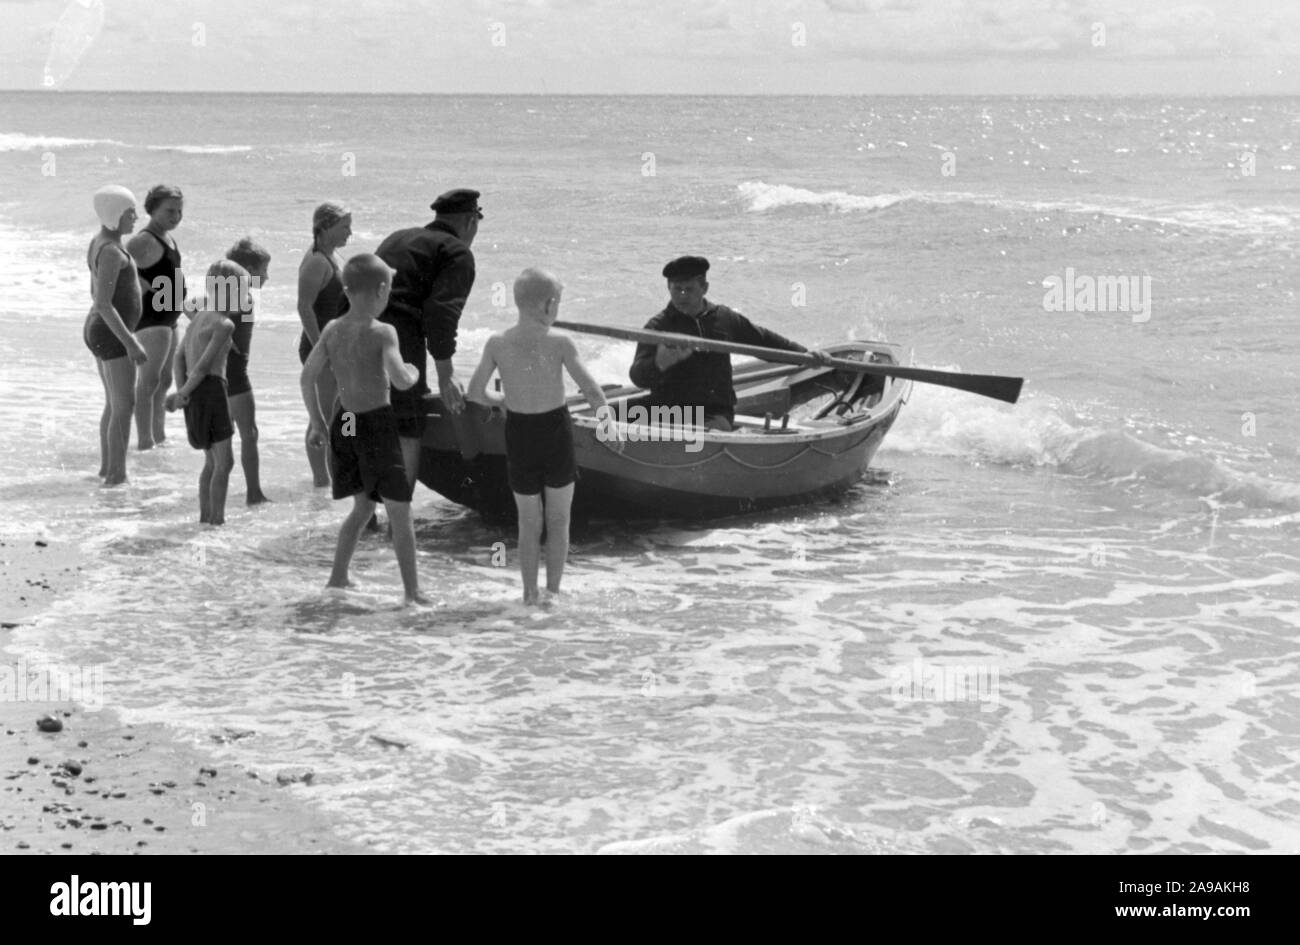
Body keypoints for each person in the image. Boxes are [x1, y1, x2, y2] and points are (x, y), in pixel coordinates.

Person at [467, 268, 615, 606]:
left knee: (528, 522)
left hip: (519, 433)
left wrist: (501, 400)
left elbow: (476, 392)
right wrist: (608, 423)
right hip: (554, 432)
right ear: (549, 305)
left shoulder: (497, 342)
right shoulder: (560, 342)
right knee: (559, 520)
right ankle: (553, 593)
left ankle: (529, 594)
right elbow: (592, 390)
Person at [300, 254, 426, 605]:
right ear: (382, 290)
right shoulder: (383, 331)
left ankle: (338, 577)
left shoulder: (332, 329)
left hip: (346, 421)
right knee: (399, 511)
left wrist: (317, 421)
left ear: (347, 290)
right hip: (373, 424)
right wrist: (414, 372)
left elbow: (307, 376)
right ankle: (412, 593)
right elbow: (401, 380)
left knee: (363, 508)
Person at [629, 256, 828, 431]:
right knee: (604, 416)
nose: (682, 296)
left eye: (689, 289)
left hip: (712, 413)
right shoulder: (657, 327)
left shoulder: (724, 319)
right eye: (676, 289)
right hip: (667, 411)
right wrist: (659, 363)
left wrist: (806, 356)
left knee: (699, 434)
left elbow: (763, 341)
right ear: (668, 288)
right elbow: (637, 377)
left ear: (704, 288)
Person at [375, 188, 481, 491]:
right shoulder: (457, 252)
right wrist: (446, 374)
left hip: (357, 329)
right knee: (407, 423)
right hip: (400, 336)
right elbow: (442, 314)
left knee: (366, 416)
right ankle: (399, 520)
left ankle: (365, 520)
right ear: (470, 221)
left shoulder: (398, 237)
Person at [164, 260, 240, 525]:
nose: (246, 298)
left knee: (210, 461)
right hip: (212, 390)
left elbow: (178, 357)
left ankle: (205, 518)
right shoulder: (224, 324)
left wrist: (182, 392)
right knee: (225, 463)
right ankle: (217, 521)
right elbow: (204, 366)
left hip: (195, 395)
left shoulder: (197, 319)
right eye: (242, 291)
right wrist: (182, 392)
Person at [83, 185, 146, 486]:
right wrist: (130, 341)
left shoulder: (100, 243)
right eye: (130, 213)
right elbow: (103, 302)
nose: (136, 217)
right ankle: (117, 475)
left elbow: (95, 291)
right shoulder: (110, 251)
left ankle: (108, 469)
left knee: (114, 402)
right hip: (110, 334)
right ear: (115, 214)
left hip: (99, 328)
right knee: (124, 404)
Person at [297, 202, 352, 487]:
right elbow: (304, 307)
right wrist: (322, 348)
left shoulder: (333, 255)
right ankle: (321, 480)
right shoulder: (317, 260)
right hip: (319, 347)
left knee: (335, 412)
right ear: (325, 227)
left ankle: (329, 475)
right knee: (322, 414)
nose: (350, 233)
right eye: (344, 227)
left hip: (333, 348)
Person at [127, 184, 185, 450]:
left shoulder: (168, 238)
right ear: (152, 209)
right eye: (169, 210)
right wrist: (138, 281)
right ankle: (144, 441)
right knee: (149, 381)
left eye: (179, 211)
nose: (176, 216)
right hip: (151, 319)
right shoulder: (144, 239)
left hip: (170, 318)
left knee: (165, 380)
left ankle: (158, 435)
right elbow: (115, 266)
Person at [224, 238, 272, 505]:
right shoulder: (239, 295)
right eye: (263, 270)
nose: (266, 276)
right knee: (248, 434)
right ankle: (254, 493)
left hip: (222, 373)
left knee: (226, 438)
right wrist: (224, 336)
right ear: (248, 269)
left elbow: (191, 305)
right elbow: (199, 309)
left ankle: (221, 492)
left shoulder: (231, 291)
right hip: (235, 375)